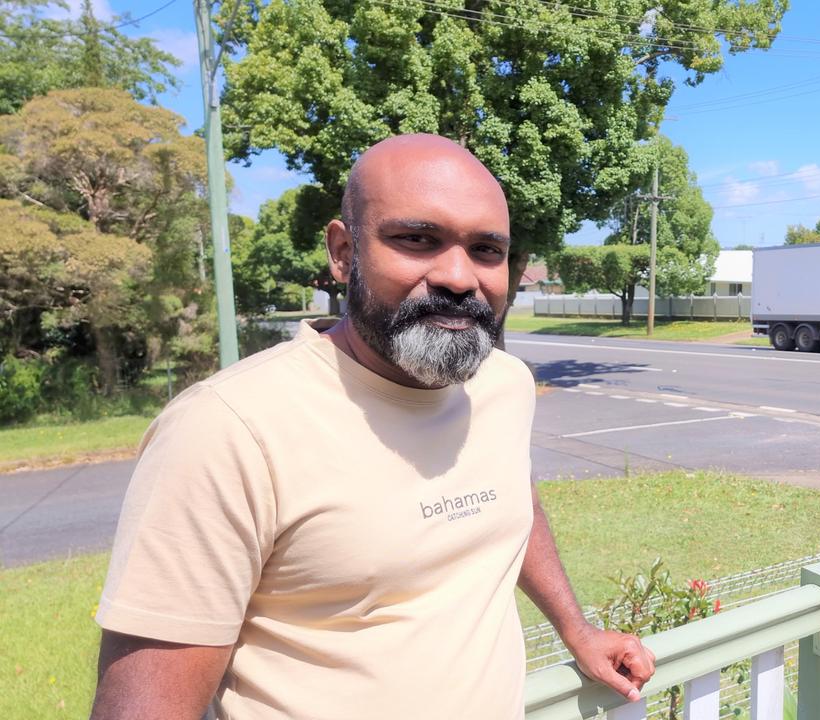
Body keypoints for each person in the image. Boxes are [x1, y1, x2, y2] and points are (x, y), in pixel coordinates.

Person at [89, 134, 656, 719]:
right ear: (343, 251)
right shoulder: (228, 429)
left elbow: (512, 495)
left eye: (487, 250)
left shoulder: (503, 383)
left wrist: (577, 628)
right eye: (417, 239)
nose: (459, 277)